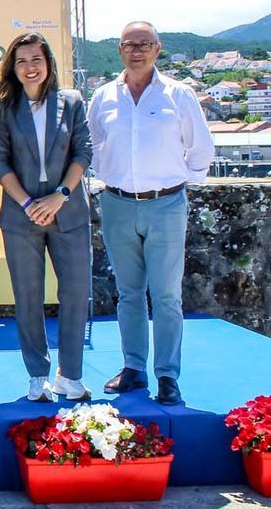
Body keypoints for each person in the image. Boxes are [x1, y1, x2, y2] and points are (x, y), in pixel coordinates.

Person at [87, 21, 212, 406]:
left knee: (167, 295)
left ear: (157, 49)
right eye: (129, 44)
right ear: (120, 50)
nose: (137, 50)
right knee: (128, 294)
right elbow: (91, 145)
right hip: (118, 204)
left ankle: (167, 375)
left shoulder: (180, 94)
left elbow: (201, 148)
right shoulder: (104, 96)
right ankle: (134, 368)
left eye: (145, 44)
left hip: (166, 205)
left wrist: (176, 184)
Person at [0, 33, 92, 402]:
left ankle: (71, 376)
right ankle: (37, 375)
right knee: (28, 296)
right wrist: (29, 202)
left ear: (48, 63)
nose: (30, 67)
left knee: (76, 293)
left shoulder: (73, 102)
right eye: (22, 61)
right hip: (22, 216)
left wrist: (60, 196)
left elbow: (84, 151)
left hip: (69, 213)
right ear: (12, 68)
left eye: (36, 59)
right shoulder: (3, 108)